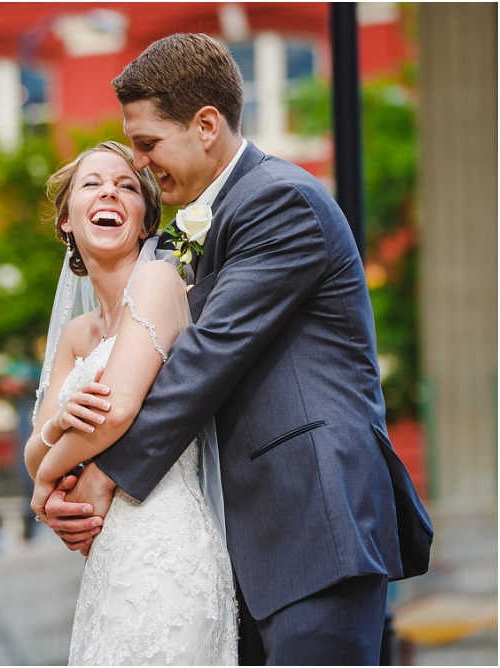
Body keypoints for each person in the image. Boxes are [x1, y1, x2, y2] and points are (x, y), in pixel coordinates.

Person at [31, 33, 432, 665]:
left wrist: (95, 476)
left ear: (207, 125)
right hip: (241, 540)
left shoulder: (279, 200)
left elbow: (205, 358)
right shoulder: (207, 226)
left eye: (147, 143)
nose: (139, 165)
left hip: (311, 518)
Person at [25, 140, 238, 664]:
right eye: (92, 184)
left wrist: (44, 490)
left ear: (145, 222)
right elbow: (32, 450)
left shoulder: (158, 280)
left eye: (126, 186)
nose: (109, 194)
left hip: (165, 548)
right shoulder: (77, 335)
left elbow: (115, 413)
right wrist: (54, 434)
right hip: (109, 558)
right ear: (67, 222)